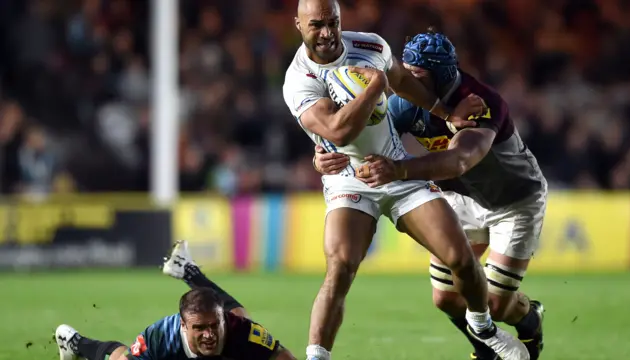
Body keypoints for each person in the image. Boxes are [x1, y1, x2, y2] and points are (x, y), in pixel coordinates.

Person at [282, 1, 529, 360]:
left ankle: (484, 328)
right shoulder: (299, 79)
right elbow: (338, 129)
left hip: (396, 168)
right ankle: (317, 357)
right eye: (316, 25)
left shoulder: (369, 46)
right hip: (349, 179)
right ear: (298, 25)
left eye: (332, 22)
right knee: (340, 268)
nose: (326, 32)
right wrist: (374, 87)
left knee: (459, 257)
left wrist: (446, 113)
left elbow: (402, 82)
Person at [54, 241, 296, 360]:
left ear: (223, 320)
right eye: (199, 328)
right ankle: (75, 342)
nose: (209, 334)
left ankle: (187, 271)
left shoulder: (241, 330)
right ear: (183, 325)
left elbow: (282, 357)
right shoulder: (161, 337)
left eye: (214, 325)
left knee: (242, 317)